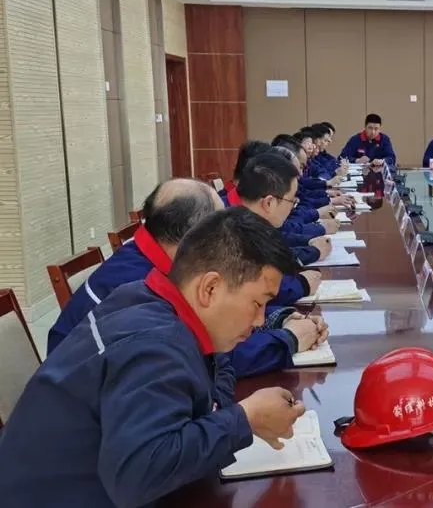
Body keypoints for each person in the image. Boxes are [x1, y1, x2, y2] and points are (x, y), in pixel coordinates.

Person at [0, 207, 308, 507]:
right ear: (210, 288)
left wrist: (225, 416)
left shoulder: (149, 299)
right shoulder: (154, 345)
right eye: (257, 303)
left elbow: (219, 371)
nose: (259, 320)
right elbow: (137, 477)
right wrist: (245, 418)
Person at [48, 178, 327, 377]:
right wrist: (287, 340)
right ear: (194, 236)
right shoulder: (139, 284)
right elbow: (205, 355)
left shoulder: (154, 256)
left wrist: (276, 318)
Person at [227, 152, 325, 306]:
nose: (293, 207)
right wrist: (301, 285)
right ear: (269, 203)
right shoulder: (226, 228)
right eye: (292, 201)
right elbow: (249, 289)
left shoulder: (248, 217)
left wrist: (282, 315)